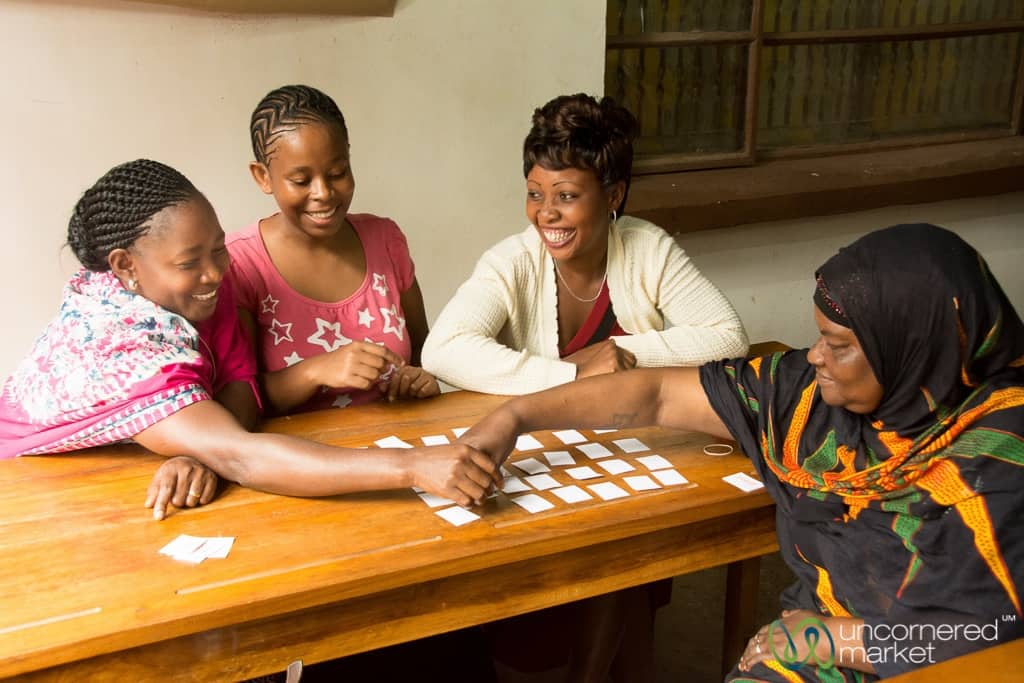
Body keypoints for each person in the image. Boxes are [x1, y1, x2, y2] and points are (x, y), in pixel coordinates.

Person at [460, 224, 1024, 681]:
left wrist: (828, 638)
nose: (817, 356)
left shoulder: (1001, 455)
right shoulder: (808, 393)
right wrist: (517, 416)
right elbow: (654, 394)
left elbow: (984, 632)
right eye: (820, 336)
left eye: (841, 346)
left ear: (913, 347)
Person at [0, 159, 498, 522]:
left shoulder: (201, 292)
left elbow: (239, 398)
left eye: (218, 248)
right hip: (33, 495)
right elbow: (242, 455)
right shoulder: (120, 346)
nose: (215, 272)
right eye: (190, 262)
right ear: (126, 266)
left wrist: (197, 450)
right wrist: (413, 466)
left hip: (117, 478)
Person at [421, 93, 747, 395]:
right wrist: (574, 373)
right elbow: (442, 351)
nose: (545, 213)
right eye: (535, 194)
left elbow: (728, 337)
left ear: (613, 196)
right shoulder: (510, 262)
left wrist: (619, 354)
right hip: (538, 439)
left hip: (633, 434)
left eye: (566, 196)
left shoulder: (647, 249)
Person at [229, 84, 439, 415]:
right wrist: (316, 370)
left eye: (337, 173)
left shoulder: (385, 239)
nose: (323, 193)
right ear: (263, 177)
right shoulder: (241, 264)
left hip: (396, 449)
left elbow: (424, 352)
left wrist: (419, 378)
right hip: (302, 460)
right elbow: (239, 400)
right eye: (301, 181)